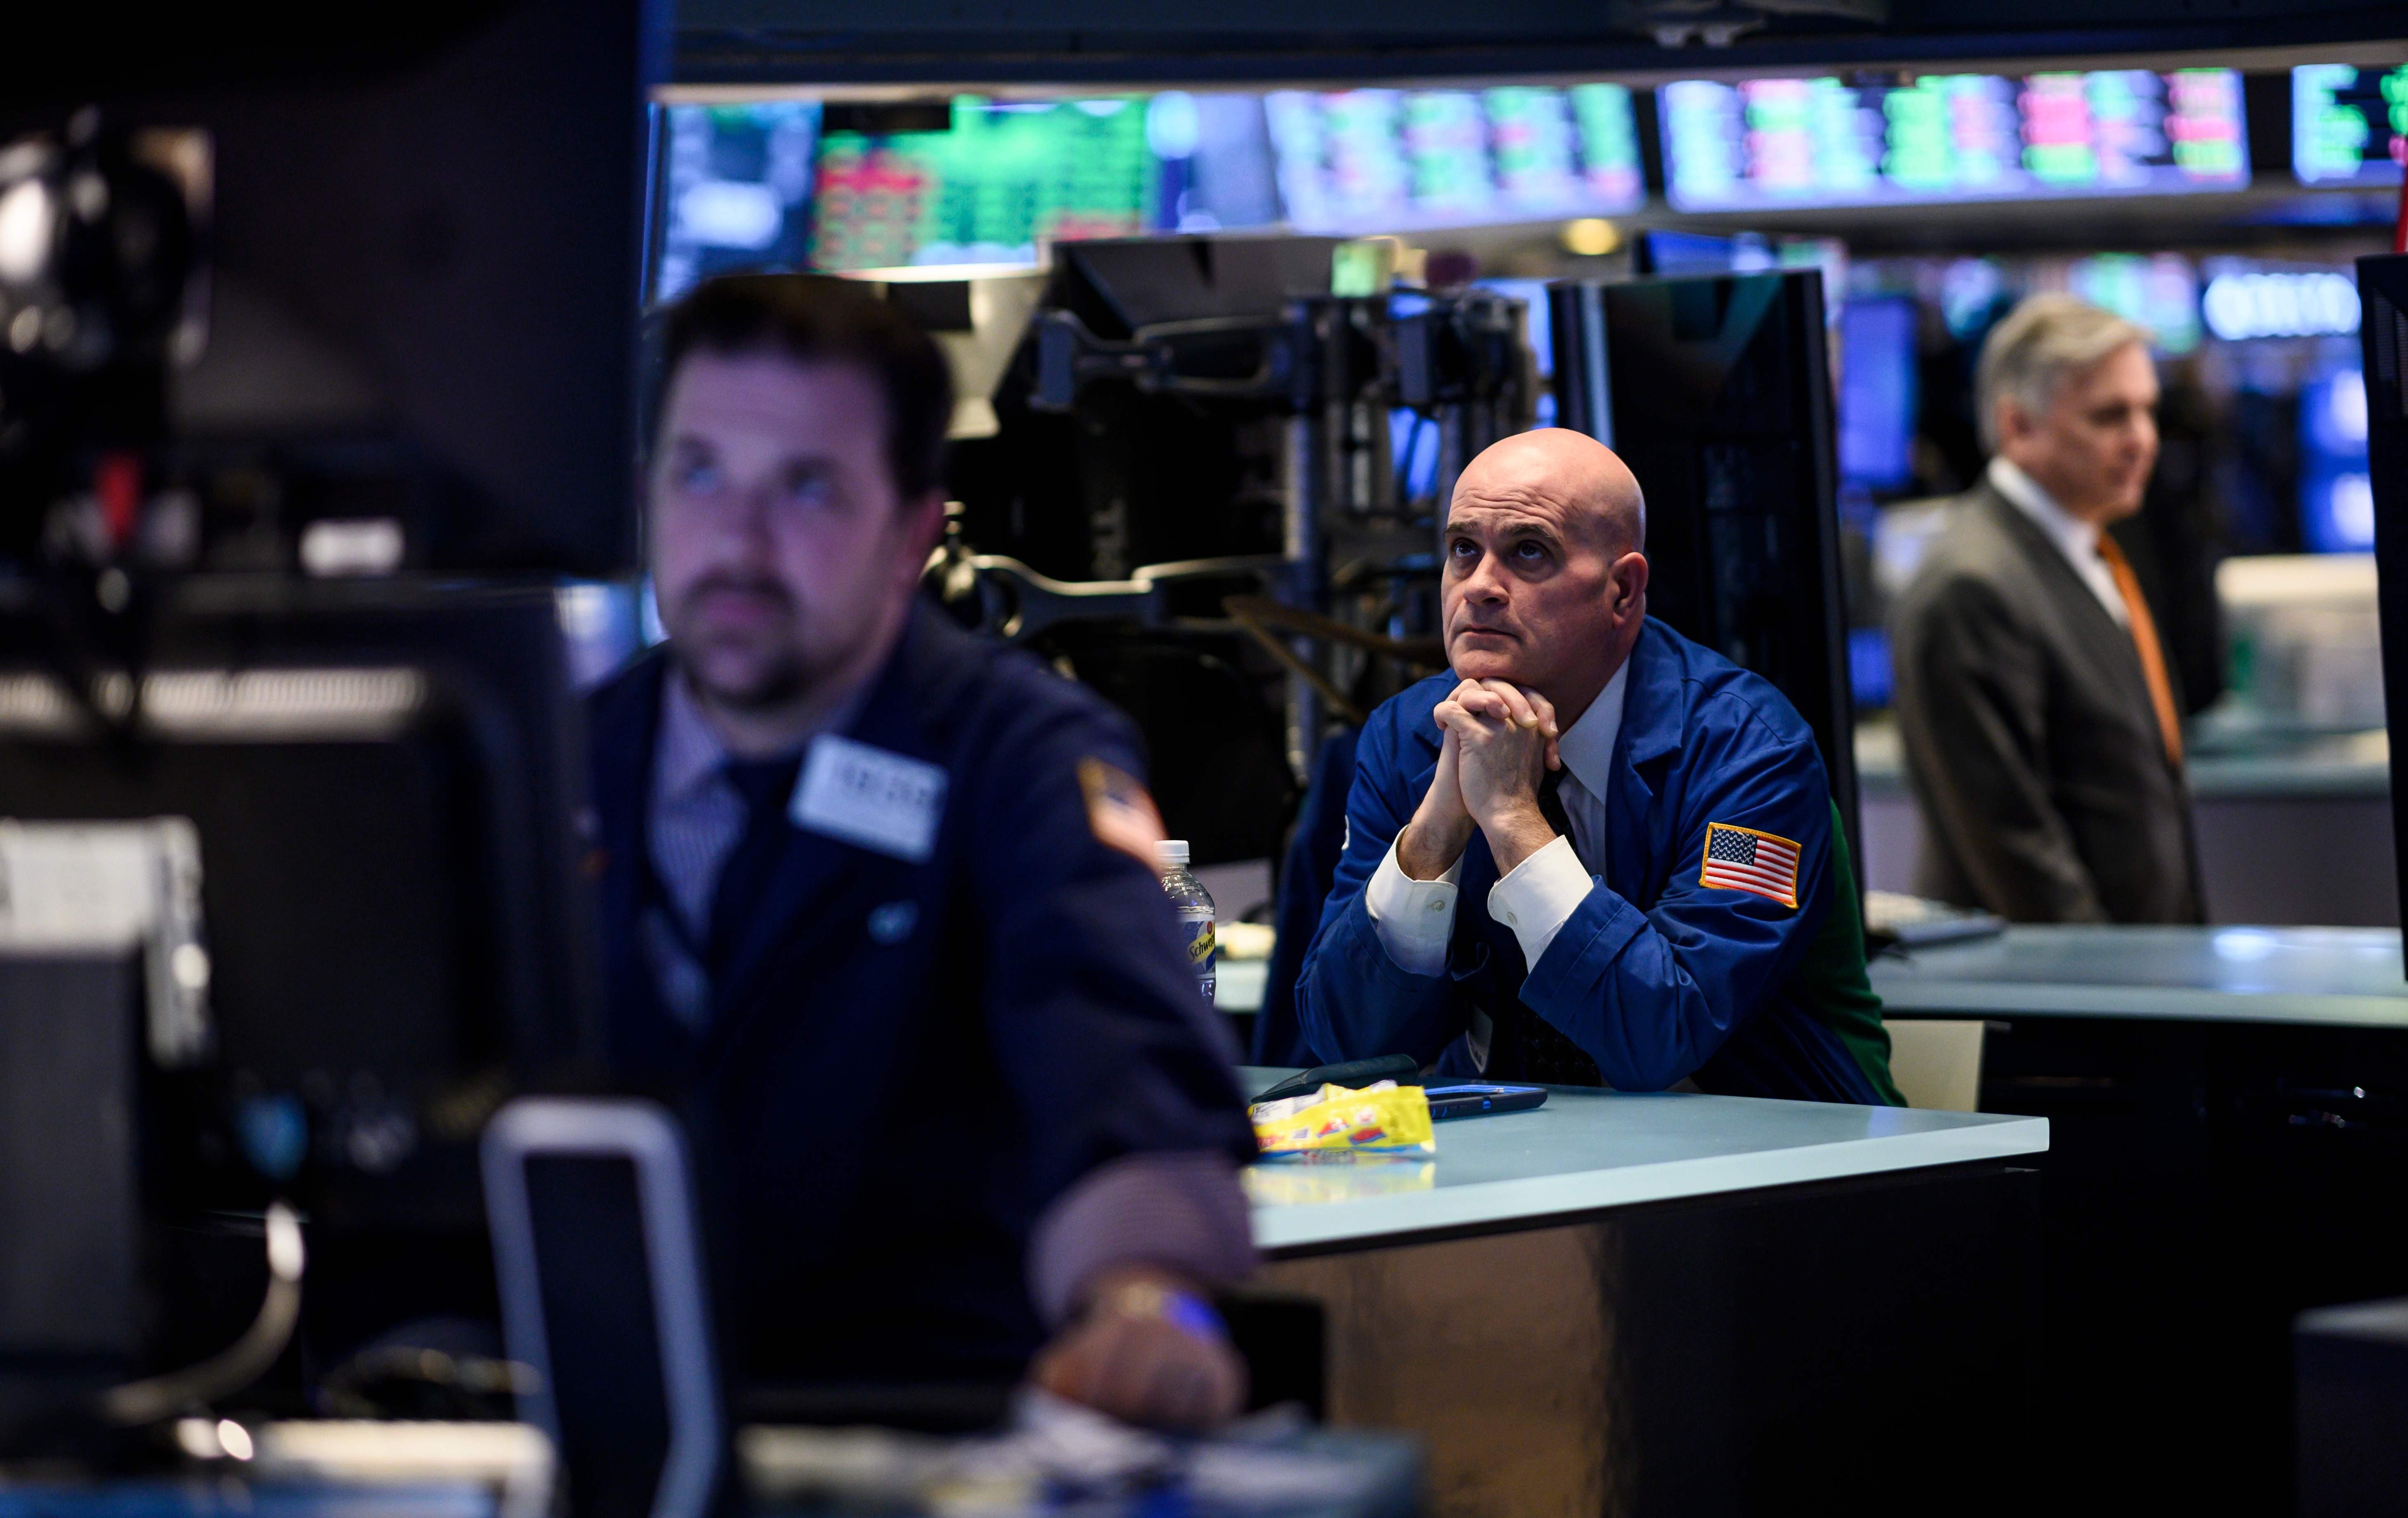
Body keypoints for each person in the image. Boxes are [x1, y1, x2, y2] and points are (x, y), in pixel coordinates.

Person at [586, 274, 1259, 1428]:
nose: (738, 543)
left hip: (919, 1438)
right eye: (699, 473)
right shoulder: (564, 762)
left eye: (807, 489)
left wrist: (1140, 1299)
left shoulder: (1021, 756)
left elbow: (1117, 1061)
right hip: (593, 1429)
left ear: (910, 536)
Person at [1294, 428, 1900, 1103]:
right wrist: (1433, 838)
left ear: (1622, 591)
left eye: (1528, 553)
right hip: (1530, 1174)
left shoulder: (1750, 752)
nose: (1480, 587)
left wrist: (1513, 820)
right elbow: (1347, 1047)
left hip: (1790, 1173)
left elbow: (1659, 1036)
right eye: (1464, 550)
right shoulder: (1408, 738)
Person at [1888, 294, 2202, 924]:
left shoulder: (2090, 548)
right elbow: (2020, 856)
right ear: (2018, 427)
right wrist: (2125, 1012)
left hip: (2144, 978)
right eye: (2110, 415)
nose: (2142, 439)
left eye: (2148, 411)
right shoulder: (1970, 585)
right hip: (2070, 998)